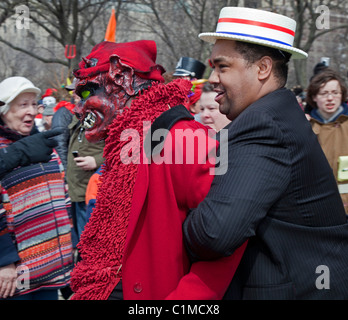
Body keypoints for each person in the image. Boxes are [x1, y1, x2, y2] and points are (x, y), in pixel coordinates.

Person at [182, 7, 348, 300]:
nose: (212, 79)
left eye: (223, 67)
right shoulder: (276, 115)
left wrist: (179, 217)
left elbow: (214, 234)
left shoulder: (263, 124)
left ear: (262, 69)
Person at [69, 40, 247, 300]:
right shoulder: (124, 142)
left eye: (87, 93)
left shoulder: (184, 138)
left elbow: (230, 235)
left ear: (125, 79)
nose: (77, 109)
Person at [0, 76, 75, 300]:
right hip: (15, 275)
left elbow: (64, 195)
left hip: (52, 267)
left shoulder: (45, 146)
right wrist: (4, 261)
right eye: (23, 105)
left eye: (34, 104)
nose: (32, 112)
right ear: (4, 110)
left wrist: (69, 240)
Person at [306, 68, 348, 215]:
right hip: (316, 210)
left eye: (335, 93)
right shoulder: (304, 127)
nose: (330, 98)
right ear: (314, 97)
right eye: (324, 93)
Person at [66, 112, 105, 240]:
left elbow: (123, 148)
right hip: (75, 189)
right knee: (81, 241)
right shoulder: (79, 114)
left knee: (90, 242)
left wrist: (97, 160)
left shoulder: (107, 112)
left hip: (92, 193)